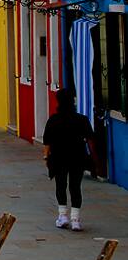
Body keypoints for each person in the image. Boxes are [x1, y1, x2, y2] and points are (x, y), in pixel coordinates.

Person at [43, 88, 94, 231]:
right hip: (77, 157)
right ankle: (76, 219)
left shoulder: (53, 120)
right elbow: (90, 140)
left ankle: (63, 216)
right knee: (75, 187)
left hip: (59, 157)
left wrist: (46, 158)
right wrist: (94, 158)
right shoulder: (82, 119)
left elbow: (47, 142)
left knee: (61, 185)